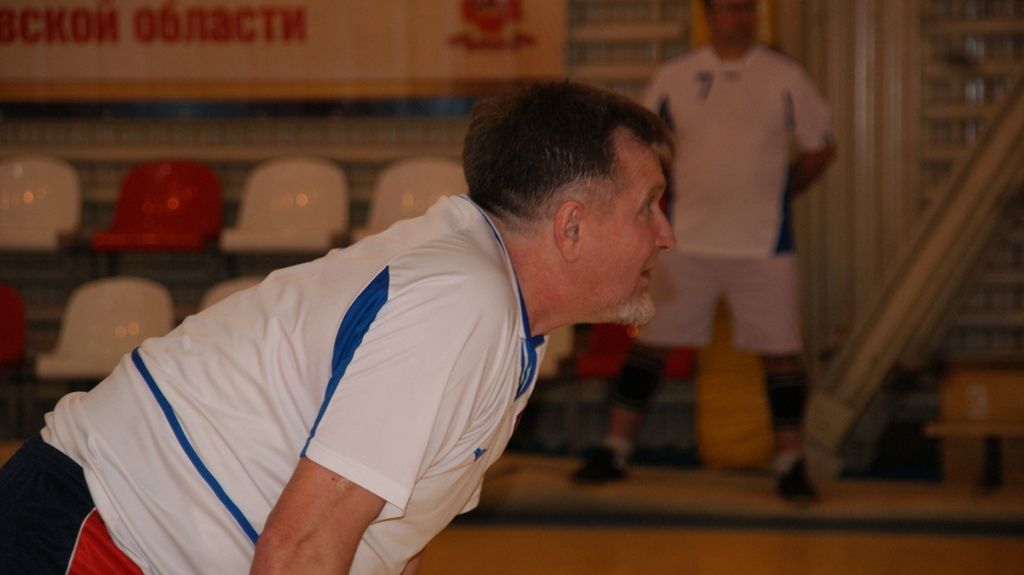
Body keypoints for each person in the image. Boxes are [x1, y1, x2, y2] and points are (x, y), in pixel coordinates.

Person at [0, 81, 675, 574]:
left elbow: (388, 538)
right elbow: (300, 549)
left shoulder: (494, 305)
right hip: (98, 534)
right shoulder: (463, 299)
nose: (666, 234)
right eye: (649, 205)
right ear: (572, 226)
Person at [572, 0, 835, 503]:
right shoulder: (675, 76)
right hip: (687, 240)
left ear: (754, 14)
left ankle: (790, 461)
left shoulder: (786, 77)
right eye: (724, 9)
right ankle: (616, 448)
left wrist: (784, 191)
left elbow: (820, 147)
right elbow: (640, 147)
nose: (735, 18)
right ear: (709, 15)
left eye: (743, 8)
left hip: (764, 243)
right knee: (650, 343)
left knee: (781, 353)